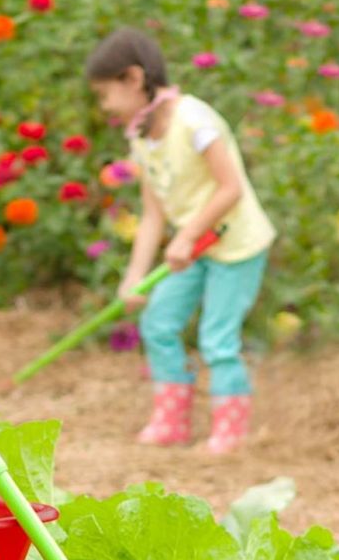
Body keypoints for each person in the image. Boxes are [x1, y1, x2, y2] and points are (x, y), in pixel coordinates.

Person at [86, 28, 275, 453]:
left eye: (105, 94)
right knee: (158, 321)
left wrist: (186, 235)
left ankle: (231, 431)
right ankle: (171, 420)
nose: (105, 106)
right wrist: (134, 277)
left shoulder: (195, 122)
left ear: (133, 79)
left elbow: (231, 188)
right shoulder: (140, 135)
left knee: (217, 337)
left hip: (234, 246)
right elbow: (153, 212)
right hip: (191, 251)